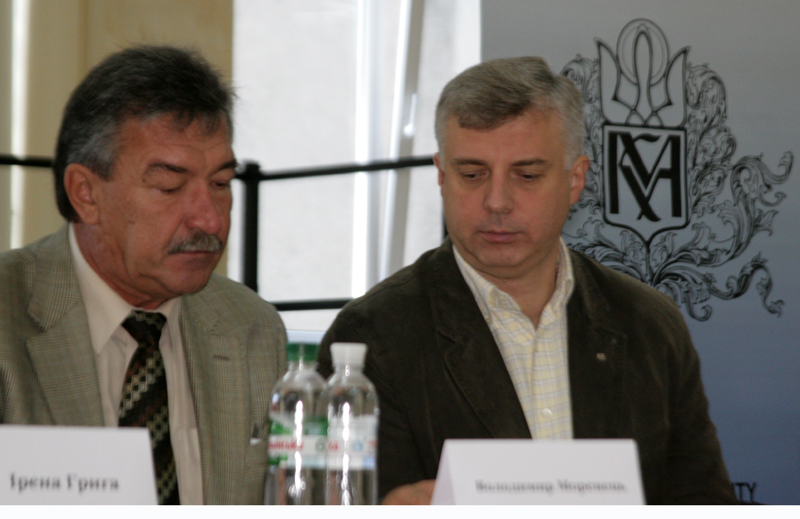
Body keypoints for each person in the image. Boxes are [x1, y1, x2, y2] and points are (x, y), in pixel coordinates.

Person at [317, 56, 737, 505]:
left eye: (527, 175)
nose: (497, 201)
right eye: (472, 174)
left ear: (575, 179)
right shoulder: (372, 337)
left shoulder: (649, 324)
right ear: (441, 176)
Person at [0, 45, 287, 504]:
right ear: (85, 194)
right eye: (170, 186)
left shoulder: (252, 328)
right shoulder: (8, 314)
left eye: (220, 184)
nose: (211, 219)